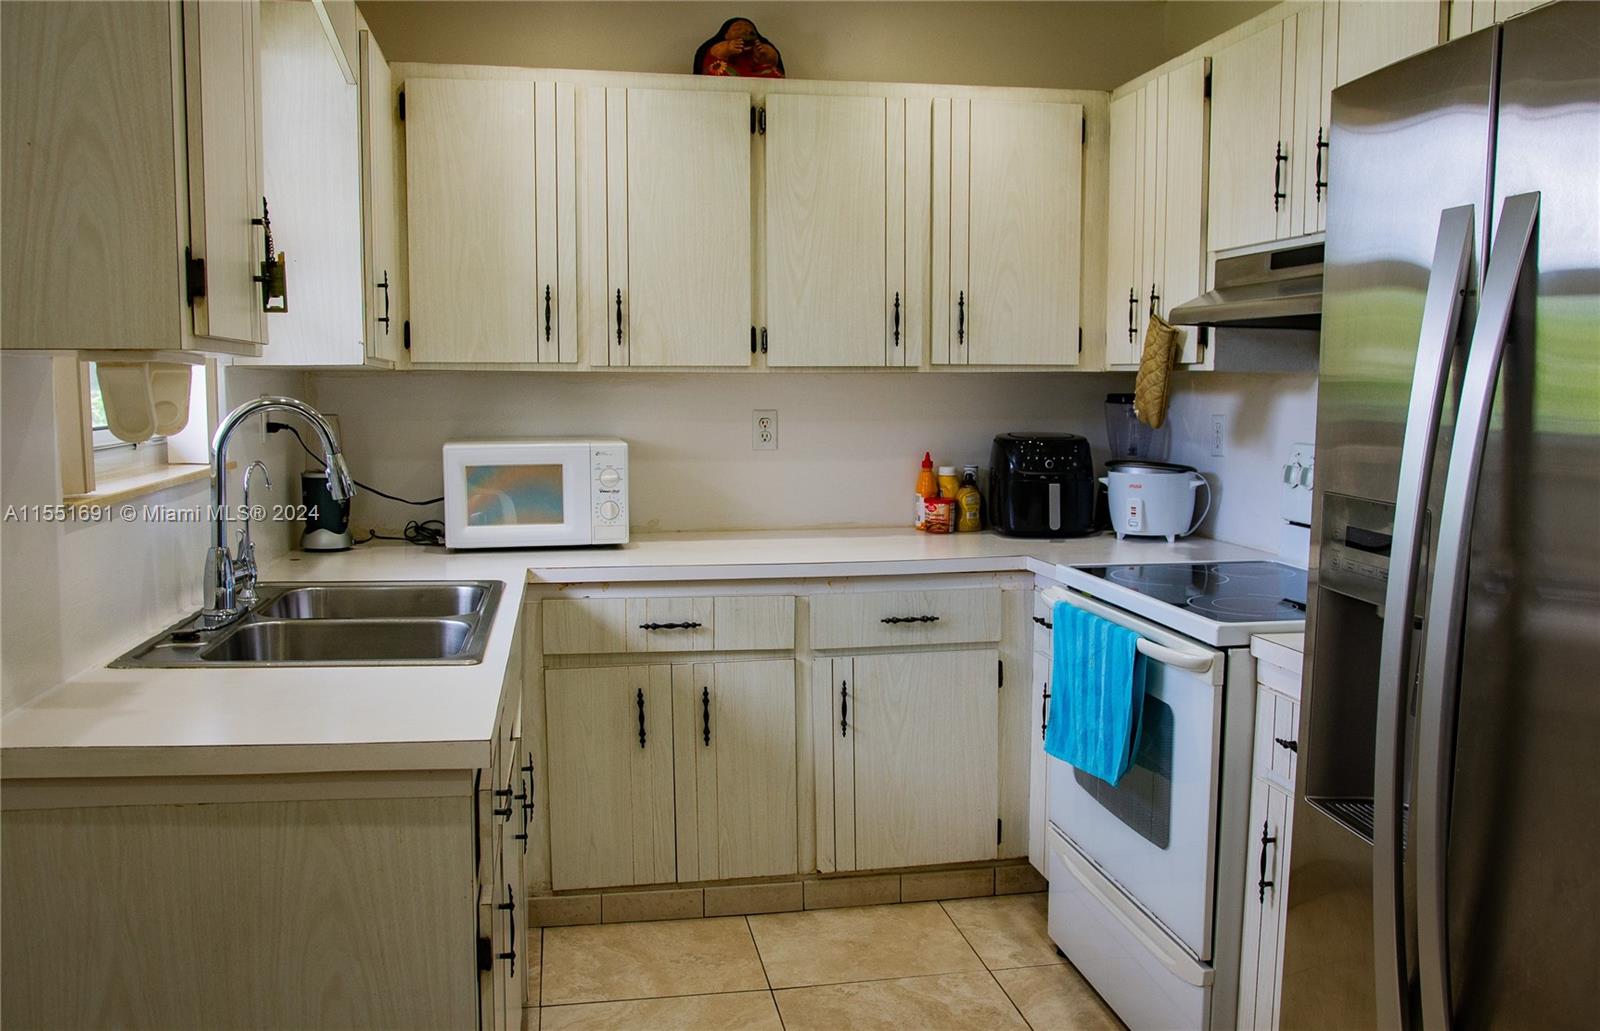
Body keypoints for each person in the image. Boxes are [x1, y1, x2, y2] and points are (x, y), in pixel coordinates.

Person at [694, 18, 785, 78]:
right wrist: (728, 48)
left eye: (750, 30)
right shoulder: (722, 44)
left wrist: (765, 55)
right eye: (738, 29)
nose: (745, 31)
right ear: (726, 35)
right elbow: (715, 53)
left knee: (774, 72)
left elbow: (773, 59)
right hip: (732, 71)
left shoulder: (758, 46)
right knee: (720, 70)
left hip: (755, 73)